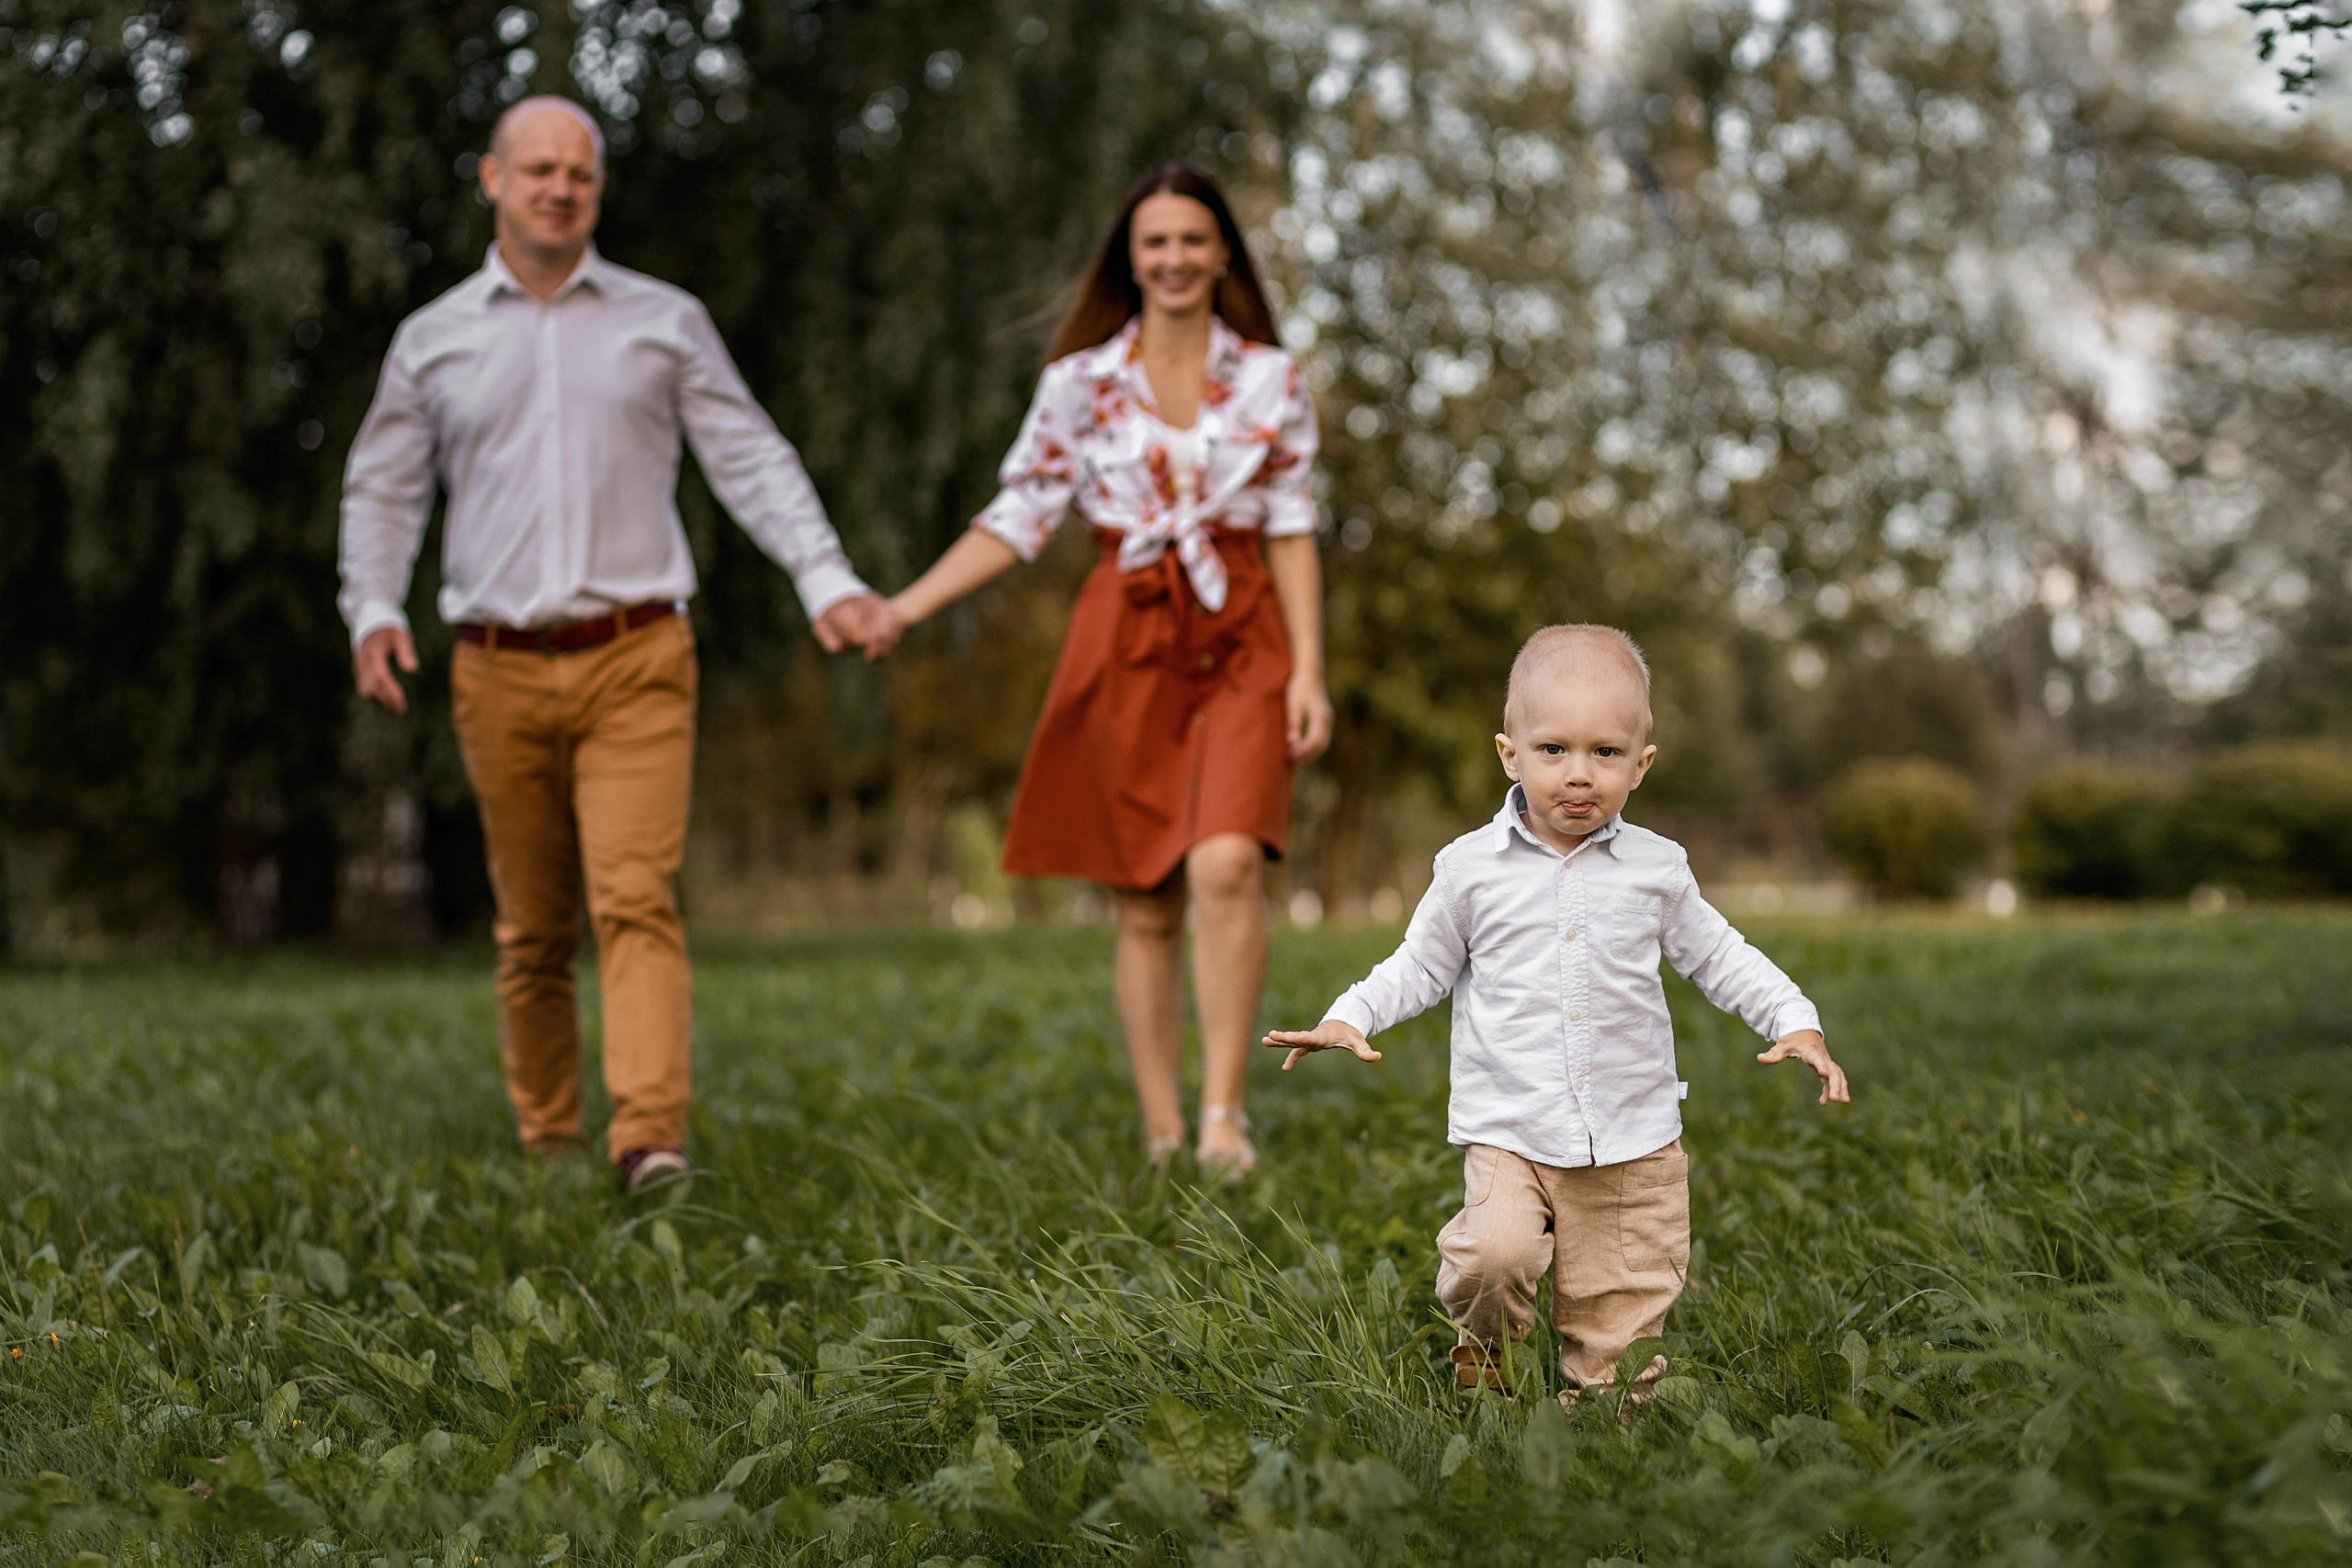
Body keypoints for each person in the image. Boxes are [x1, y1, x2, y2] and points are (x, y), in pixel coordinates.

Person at [336, 96, 899, 1193]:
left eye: (580, 174)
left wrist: (822, 575)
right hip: (493, 664)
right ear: (492, 180)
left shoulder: (664, 320)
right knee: (532, 927)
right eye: (537, 169)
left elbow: (750, 456)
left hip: (638, 657)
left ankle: (648, 1139)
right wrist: (374, 607)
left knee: (633, 897)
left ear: (597, 189)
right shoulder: (432, 340)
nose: (559, 187)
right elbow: (382, 487)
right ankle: (547, 1143)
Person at [1263, 625, 1849, 1403]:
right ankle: (1488, 1353)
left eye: (1605, 753)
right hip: (1511, 1126)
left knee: (1618, 1315)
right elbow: (1422, 962)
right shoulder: (1470, 869)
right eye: (1553, 750)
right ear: (1510, 753)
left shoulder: (1656, 869)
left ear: (1641, 764)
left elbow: (1720, 955)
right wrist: (1352, 1014)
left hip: (1631, 1140)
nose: (1579, 775)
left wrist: (1792, 1018)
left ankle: (1600, 1437)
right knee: (1490, 1255)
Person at [888, 165, 1332, 1171]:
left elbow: (1294, 525)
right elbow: (1018, 516)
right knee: (1143, 893)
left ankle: (1223, 1115)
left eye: (1191, 240)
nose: (1173, 259)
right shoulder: (1079, 385)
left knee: (1225, 863)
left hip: (1242, 633)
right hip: (1125, 638)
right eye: (1154, 243)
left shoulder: (1271, 378)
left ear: (1222, 253)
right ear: (1128, 262)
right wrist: (904, 605)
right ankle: (1162, 1130)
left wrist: (1309, 669)